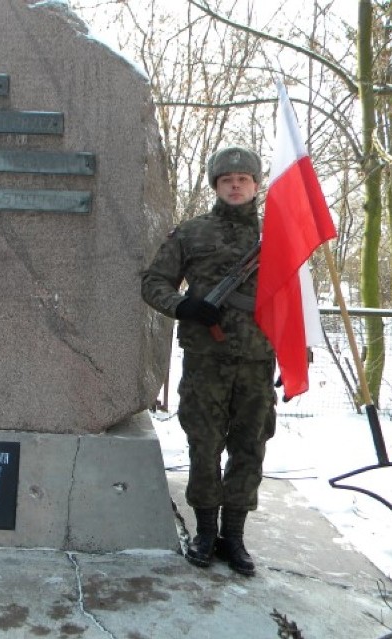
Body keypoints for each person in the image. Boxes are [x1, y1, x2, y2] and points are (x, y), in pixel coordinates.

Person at [141, 146, 276, 576]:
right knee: (204, 445)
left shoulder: (278, 236)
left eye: (243, 179)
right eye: (226, 180)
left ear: (256, 185)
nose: (235, 185)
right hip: (205, 360)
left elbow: (298, 300)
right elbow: (153, 281)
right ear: (216, 185)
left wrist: (296, 353)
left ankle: (233, 537)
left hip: (257, 361)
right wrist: (184, 307)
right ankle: (204, 531)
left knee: (249, 448)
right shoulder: (192, 233)